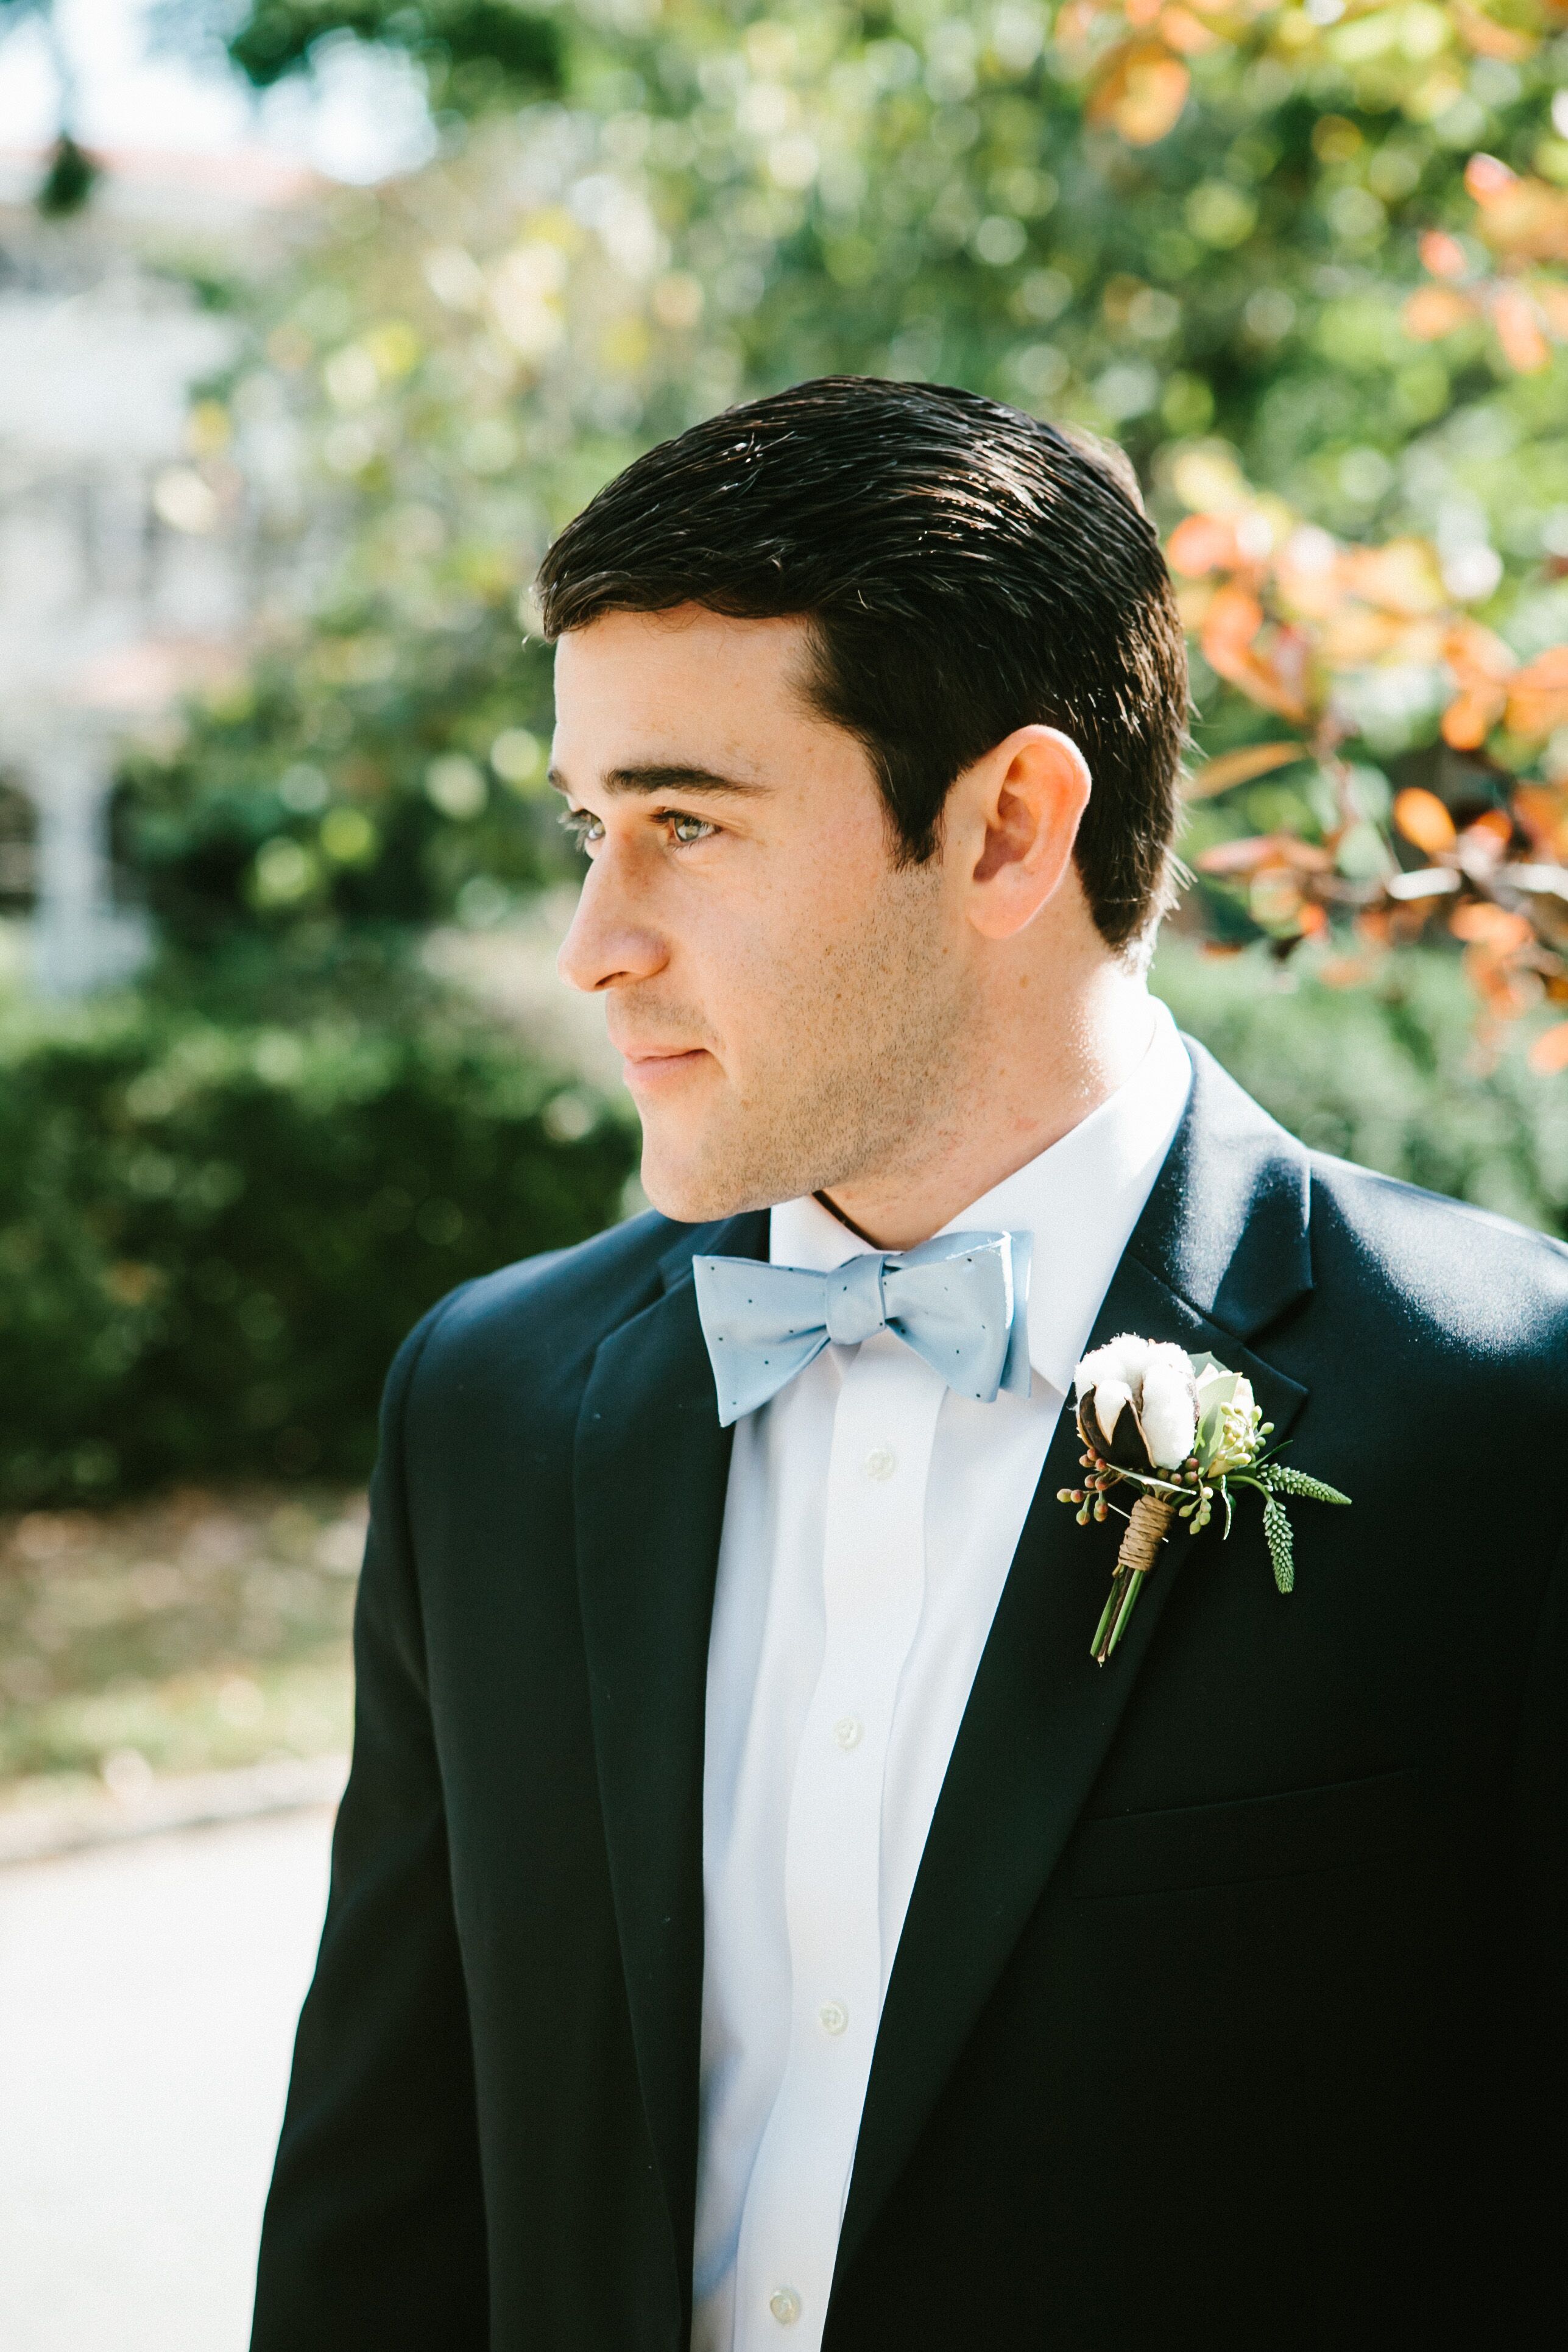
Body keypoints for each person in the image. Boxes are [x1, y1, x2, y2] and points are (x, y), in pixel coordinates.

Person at [251, 380, 1564, 2352]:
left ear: (1009, 827)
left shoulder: (1503, 1410)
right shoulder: (488, 1409)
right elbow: (386, 2207)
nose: (593, 941)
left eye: (687, 823)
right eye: (590, 828)